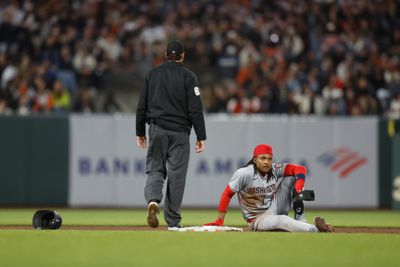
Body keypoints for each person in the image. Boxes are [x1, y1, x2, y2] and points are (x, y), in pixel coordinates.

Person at [136, 40, 207, 229]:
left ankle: (153, 200)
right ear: (182, 56)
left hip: (157, 129)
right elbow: (195, 109)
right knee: (177, 176)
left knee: (155, 168)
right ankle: (173, 221)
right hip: (180, 132)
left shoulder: (152, 73)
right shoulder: (189, 76)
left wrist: (139, 131)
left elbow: (142, 105)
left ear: (166, 54)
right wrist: (201, 135)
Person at [204, 144, 334, 232]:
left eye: (269, 159)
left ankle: (300, 219)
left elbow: (300, 169)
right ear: (255, 160)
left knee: (292, 177)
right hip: (257, 219)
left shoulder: (273, 169)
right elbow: (227, 194)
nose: (267, 162)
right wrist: (219, 220)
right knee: (282, 220)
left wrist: (299, 186)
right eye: (263, 158)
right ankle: (315, 230)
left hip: (274, 207)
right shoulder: (245, 173)